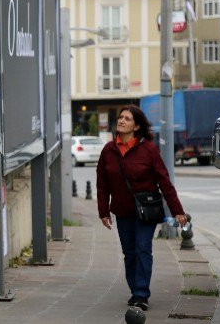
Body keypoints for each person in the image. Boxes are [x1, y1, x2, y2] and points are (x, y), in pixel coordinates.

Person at [96, 105, 187, 311]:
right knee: (129, 252)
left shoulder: (148, 150)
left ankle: (141, 294)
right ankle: (135, 289)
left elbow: (164, 181)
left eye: (127, 119)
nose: (121, 121)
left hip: (146, 211)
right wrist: (103, 211)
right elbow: (102, 183)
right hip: (122, 211)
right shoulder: (108, 150)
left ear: (136, 126)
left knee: (142, 248)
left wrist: (177, 210)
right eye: (120, 117)